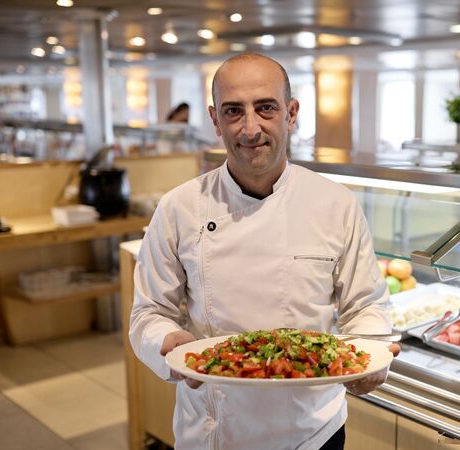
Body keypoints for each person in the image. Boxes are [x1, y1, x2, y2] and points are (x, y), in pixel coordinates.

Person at [130, 52, 397, 450]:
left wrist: (371, 354)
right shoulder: (179, 208)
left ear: (291, 114)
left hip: (313, 429)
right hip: (214, 429)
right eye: (233, 111)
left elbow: (365, 304)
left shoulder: (335, 203)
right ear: (215, 121)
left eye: (266, 108)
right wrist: (169, 342)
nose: (250, 128)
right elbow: (148, 312)